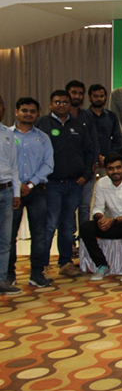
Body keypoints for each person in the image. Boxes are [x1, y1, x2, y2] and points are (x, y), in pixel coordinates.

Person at [36, 90, 94, 278]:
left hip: (74, 184)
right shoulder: (42, 125)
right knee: (49, 225)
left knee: (68, 225)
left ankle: (65, 262)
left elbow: (89, 152)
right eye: (57, 102)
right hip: (51, 184)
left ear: (70, 105)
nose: (61, 105)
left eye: (65, 102)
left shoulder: (78, 125)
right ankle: (42, 265)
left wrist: (85, 175)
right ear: (50, 104)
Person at [9, 97, 53, 289]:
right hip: (12, 193)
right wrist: (18, 185)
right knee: (9, 236)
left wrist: (31, 184)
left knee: (39, 235)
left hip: (37, 192)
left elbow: (48, 164)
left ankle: (37, 274)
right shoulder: (6, 136)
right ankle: (8, 275)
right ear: (16, 112)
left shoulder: (43, 137)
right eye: (24, 110)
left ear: (37, 114)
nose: (28, 114)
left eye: (32, 111)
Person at [80, 153, 122, 282]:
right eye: (111, 169)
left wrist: (113, 220)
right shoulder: (102, 183)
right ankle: (101, 265)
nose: (115, 171)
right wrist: (100, 219)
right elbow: (97, 208)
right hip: (111, 224)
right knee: (85, 227)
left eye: (118, 167)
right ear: (106, 170)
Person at [66, 80, 100, 225]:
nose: (77, 96)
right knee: (69, 207)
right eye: (74, 93)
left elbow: (94, 140)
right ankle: (70, 236)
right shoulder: (62, 116)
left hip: (86, 168)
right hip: (66, 172)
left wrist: (94, 162)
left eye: (80, 93)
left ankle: (84, 236)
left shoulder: (87, 116)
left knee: (85, 206)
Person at [0, 94, 21, 295]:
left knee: (5, 240)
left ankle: (2, 280)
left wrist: (16, 192)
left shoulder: (8, 133)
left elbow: (14, 166)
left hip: (6, 192)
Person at [87, 84, 122, 173]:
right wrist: (95, 158)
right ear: (89, 97)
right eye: (95, 96)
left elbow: (117, 140)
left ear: (105, 97)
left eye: (101, 96)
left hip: (109, 163)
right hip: (88, 163)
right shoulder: (83, 117)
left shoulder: (111, 116)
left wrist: (107, 158)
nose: (99, 99)